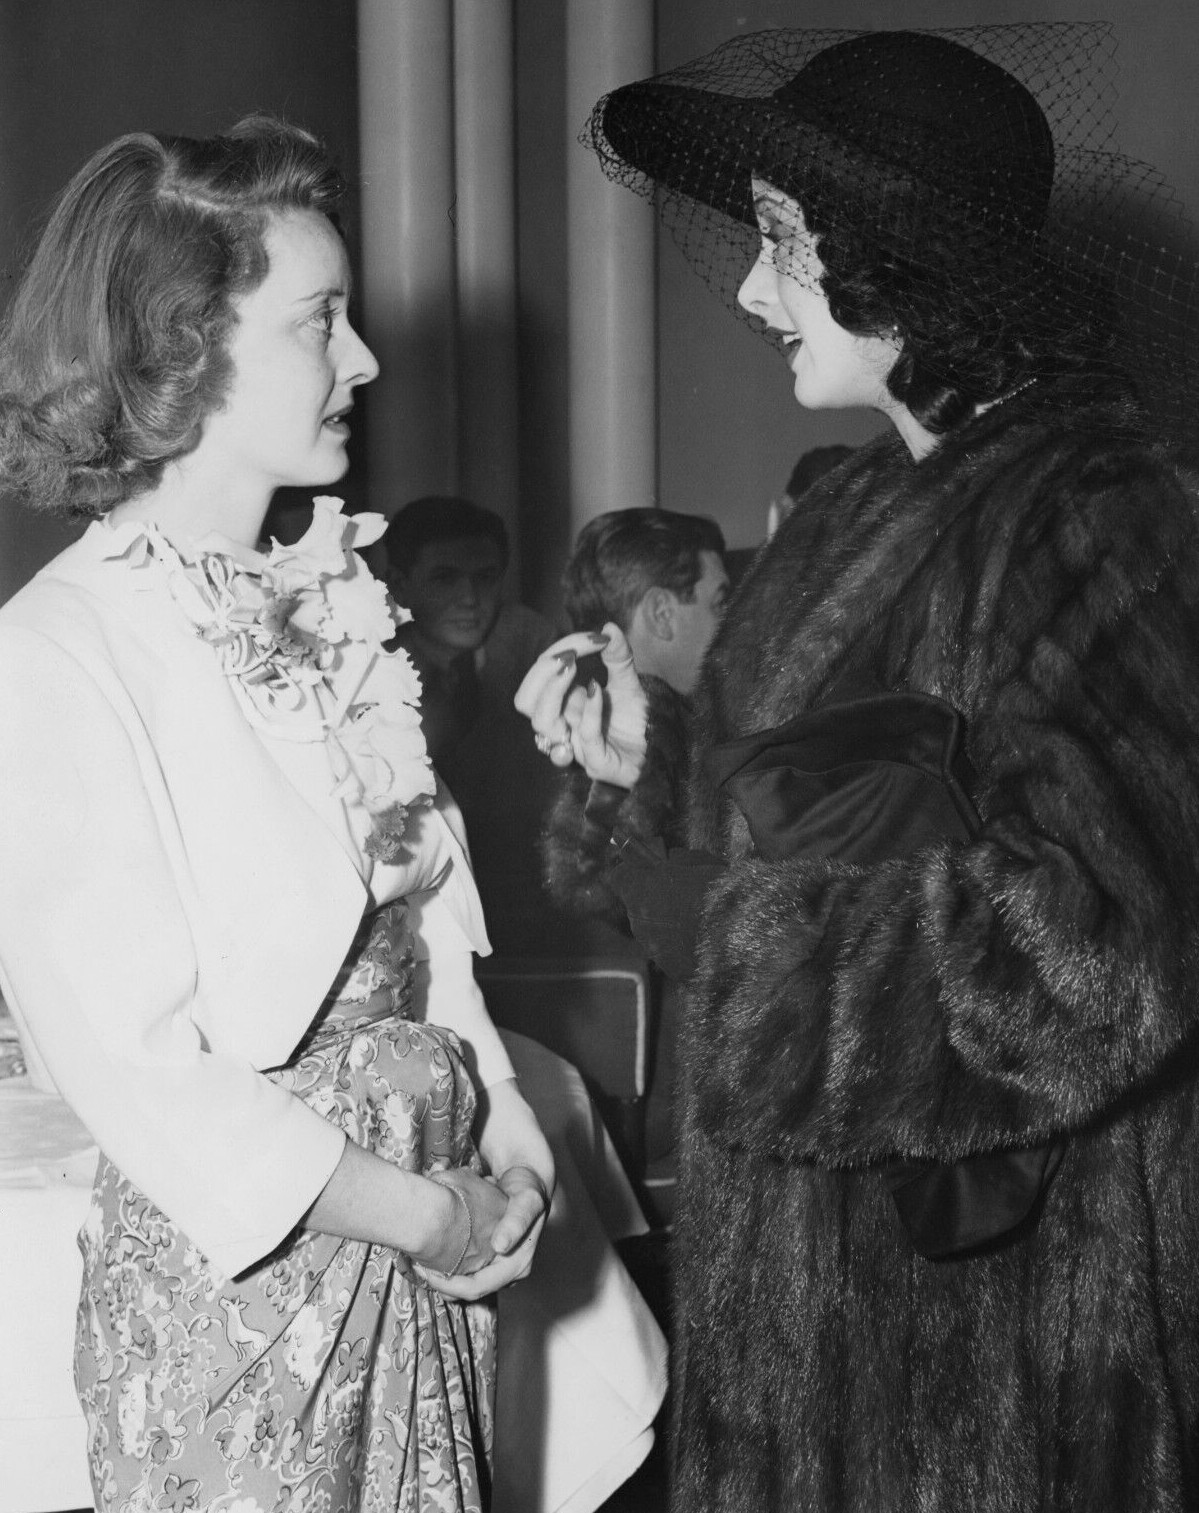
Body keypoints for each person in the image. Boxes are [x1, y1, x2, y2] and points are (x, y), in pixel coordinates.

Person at [517, 24, 1199, 1512]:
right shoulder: (849, 512)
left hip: (992, 1345)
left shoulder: (1100, 513)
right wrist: (651, 772)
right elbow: (784, 848)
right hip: (805, 1312)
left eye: (783, 244)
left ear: (903, 259)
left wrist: (755, 948)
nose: (751, 290)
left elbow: (1107, 945)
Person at [0, 118, 555, 1513]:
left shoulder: (336, 602)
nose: (361, 359)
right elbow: (137, 1066)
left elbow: (425, 931)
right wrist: (422, 1211)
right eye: (321, 320)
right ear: (182, 346)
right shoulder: (57, 648)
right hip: (247, 1296)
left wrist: (510, 1137)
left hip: (426, 1239)